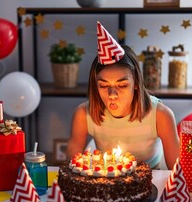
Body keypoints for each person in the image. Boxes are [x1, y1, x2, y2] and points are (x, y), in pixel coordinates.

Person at [66, 23, 179, 169]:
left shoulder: (160, 115)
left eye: (122, 85)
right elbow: (70, 165)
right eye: (104, 85)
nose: (112, 95)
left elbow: (177, 174)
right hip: (106, 184)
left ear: (136, 83)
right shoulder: (83, 114)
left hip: (151, 183)